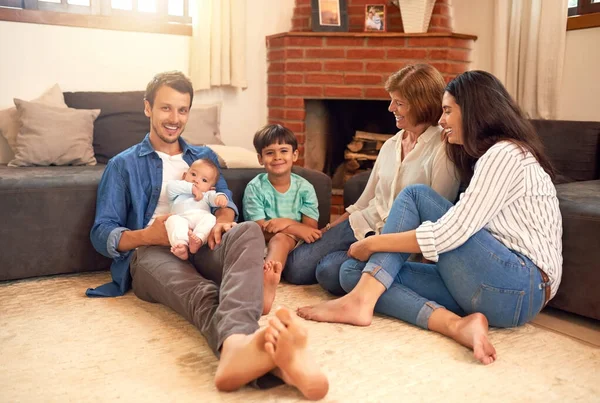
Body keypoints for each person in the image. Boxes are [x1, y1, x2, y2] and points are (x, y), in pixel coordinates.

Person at [87, 71, 328, 399]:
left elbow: (226, 201)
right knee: (199, 290)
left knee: (246, 232)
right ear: (148, 108)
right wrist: (148, 236)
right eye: (166, 109)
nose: (174, 119)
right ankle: (263, 358)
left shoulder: (203, 158)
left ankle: (250, 353)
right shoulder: (122, 165)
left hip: (204, 238)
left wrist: (223, 221)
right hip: (153, 251)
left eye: (182, 110)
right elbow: (102, 233)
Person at [297, 70, 563, 366]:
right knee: (351, 272)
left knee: (416, 196)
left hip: (518, 283)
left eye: (448, 110)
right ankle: (456, 325)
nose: (441, 119)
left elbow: (450, 233)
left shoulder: (506, 154)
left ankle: (361, 301)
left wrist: (375, 244)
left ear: (474, 110)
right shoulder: (484, 156)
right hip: (490, 287)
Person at [283, 64, 460, 295]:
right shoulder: (391, 144)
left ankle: (354, 267)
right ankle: (347, 259)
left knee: (328, 273)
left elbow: (436, 220)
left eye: (399, 103)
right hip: (364, 222)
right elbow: (364, 202)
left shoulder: (442, 150)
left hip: (395, 241)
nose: (390, 108)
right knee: (296, 267)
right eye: (391, 100)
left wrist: (422, 268)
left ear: (421, 104)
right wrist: (328, 231)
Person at [243, 124, 321, 315]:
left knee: (281, 238)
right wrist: (295, 227)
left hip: (297, 246)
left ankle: (267, 280)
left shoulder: (305, 188)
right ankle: (267, 276)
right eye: (270, 153)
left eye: (284, 151)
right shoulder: (255, 187)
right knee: (273, 240)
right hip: (262, 242)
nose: (277, 157)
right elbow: (258, 229)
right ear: (260, 159)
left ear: (294, 155)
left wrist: (285, 223)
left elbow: (310, 231)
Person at [165, 158, 228, 260]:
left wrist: (220, 197)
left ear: (210, 188)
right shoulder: (177, 192)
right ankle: (181, 246)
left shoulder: (207, 194)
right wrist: (191, 188)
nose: (196, 180)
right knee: (172, 221)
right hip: (181, 218)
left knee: (210, 218)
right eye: (193, 174)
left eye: (204, 180)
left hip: (200, 217)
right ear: (184, 176)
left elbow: (213, 198)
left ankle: (198, 239)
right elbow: (170, 187)